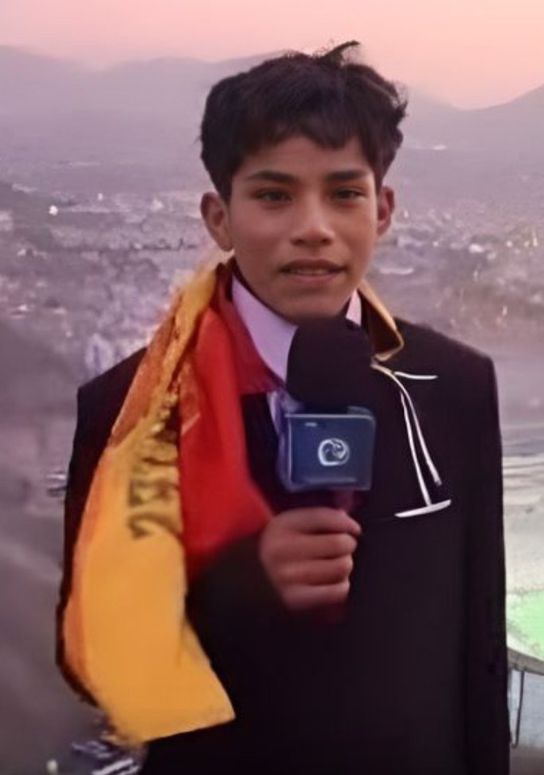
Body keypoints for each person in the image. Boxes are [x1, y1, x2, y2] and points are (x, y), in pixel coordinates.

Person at [56, 41, 510, 774]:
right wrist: (243, 581)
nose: (313, 227)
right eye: (273, 195)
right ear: (218, 217)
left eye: (343, 193)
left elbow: (480, 649)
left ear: (383, 208)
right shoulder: (132, 412)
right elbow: (99, 660)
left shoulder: (454, 384)